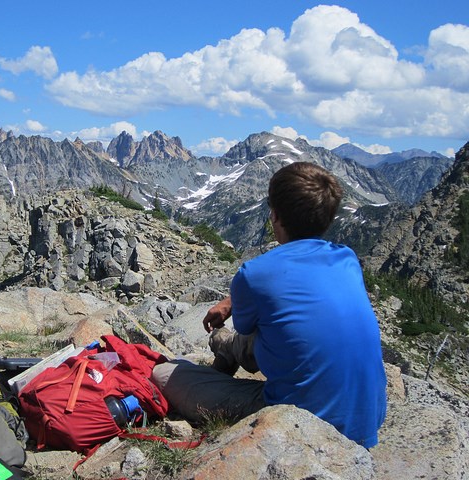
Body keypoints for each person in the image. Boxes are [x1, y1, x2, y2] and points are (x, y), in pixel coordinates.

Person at [151, 161, 387, 449]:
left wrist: (235, 301)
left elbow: (250, 331)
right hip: (367, 421)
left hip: (301, 425)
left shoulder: (254, 274)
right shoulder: (347, 258)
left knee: (162, 374)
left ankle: (218, 351)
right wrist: (231, 302)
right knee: (269, 333)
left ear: (275, 215)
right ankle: (221, 348)